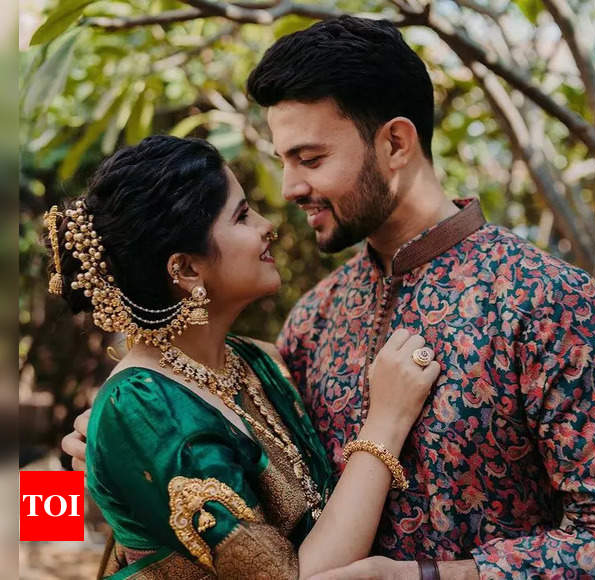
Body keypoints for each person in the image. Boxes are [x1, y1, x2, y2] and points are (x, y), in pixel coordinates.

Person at [67, 16, 595, 579]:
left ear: (395, 143)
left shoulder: (547, 300)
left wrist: (430, 577)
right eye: (283, 163)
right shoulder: (315, 319)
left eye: (311, 159)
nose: (290, 190)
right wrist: (105, 470)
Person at [47, 135, 441, 578]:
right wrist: (386, 423)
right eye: (242, 215)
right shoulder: (142, 405)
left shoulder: (254, 359)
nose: (268, 223)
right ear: (187, 269)